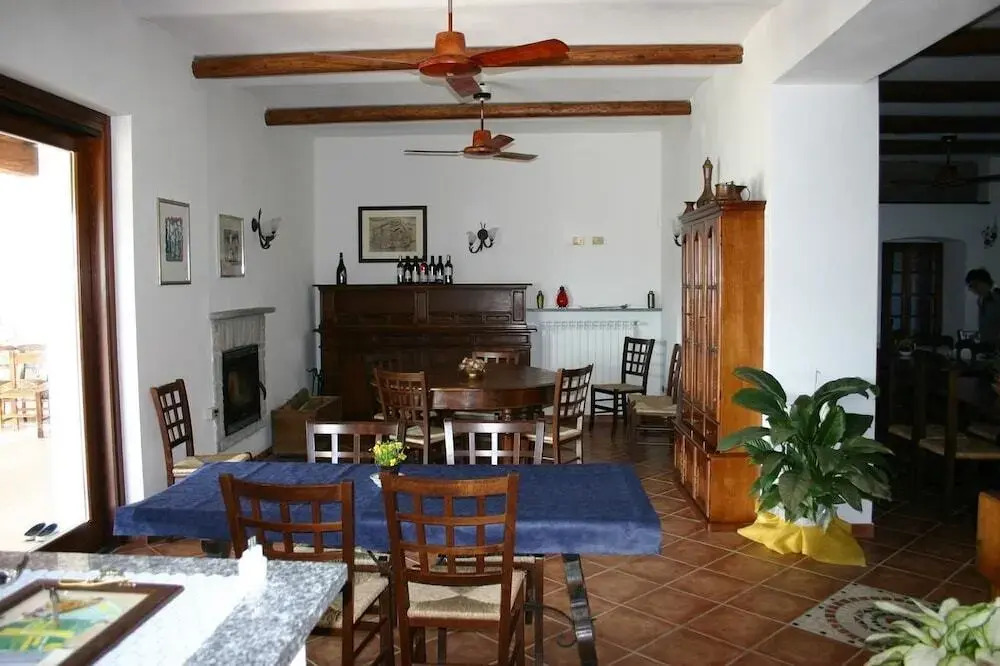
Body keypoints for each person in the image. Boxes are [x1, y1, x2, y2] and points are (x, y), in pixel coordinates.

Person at [966, 268, 1000, 346]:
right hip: (986, 345)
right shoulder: (980, 301)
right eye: (971, 287)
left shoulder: (997, 298)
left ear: (985, 282)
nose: (974, 289)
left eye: (975, 285)